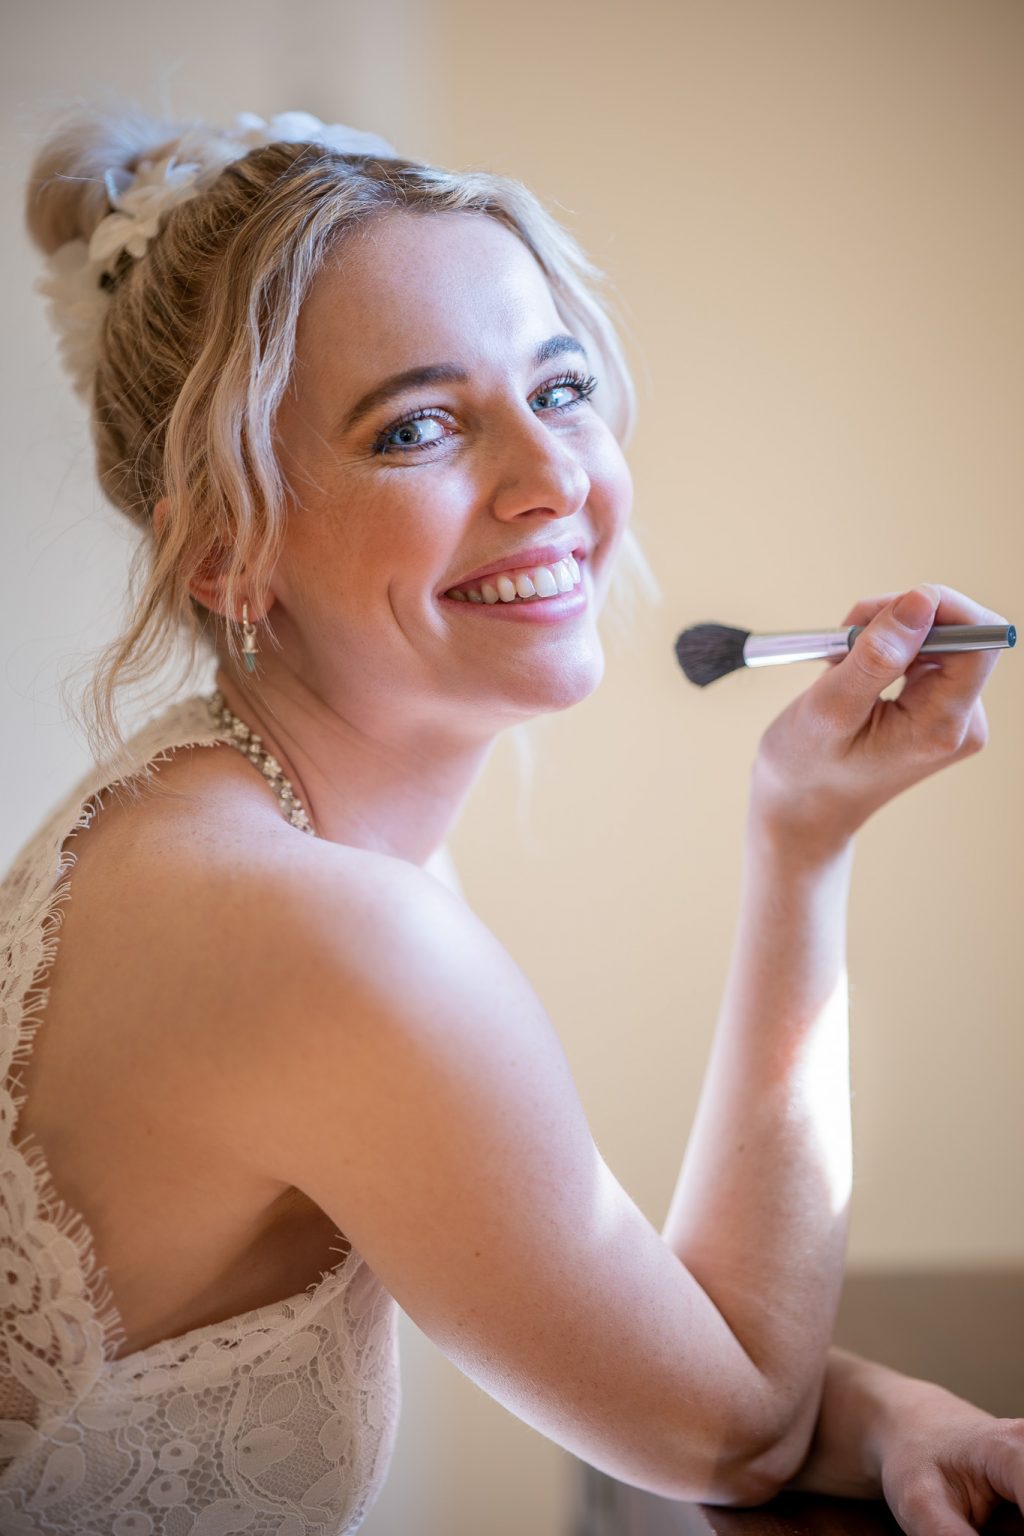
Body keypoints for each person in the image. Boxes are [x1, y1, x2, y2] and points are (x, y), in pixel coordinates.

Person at [0, 103, 1019, 1536]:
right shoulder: (316, 932)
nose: (553, 482)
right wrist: (805, 844)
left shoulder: (229, 816)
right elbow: (729, 1439)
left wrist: (898, 1413)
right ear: (225, 550)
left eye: (560, 387)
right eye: (418, 427)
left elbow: (656, 1336)